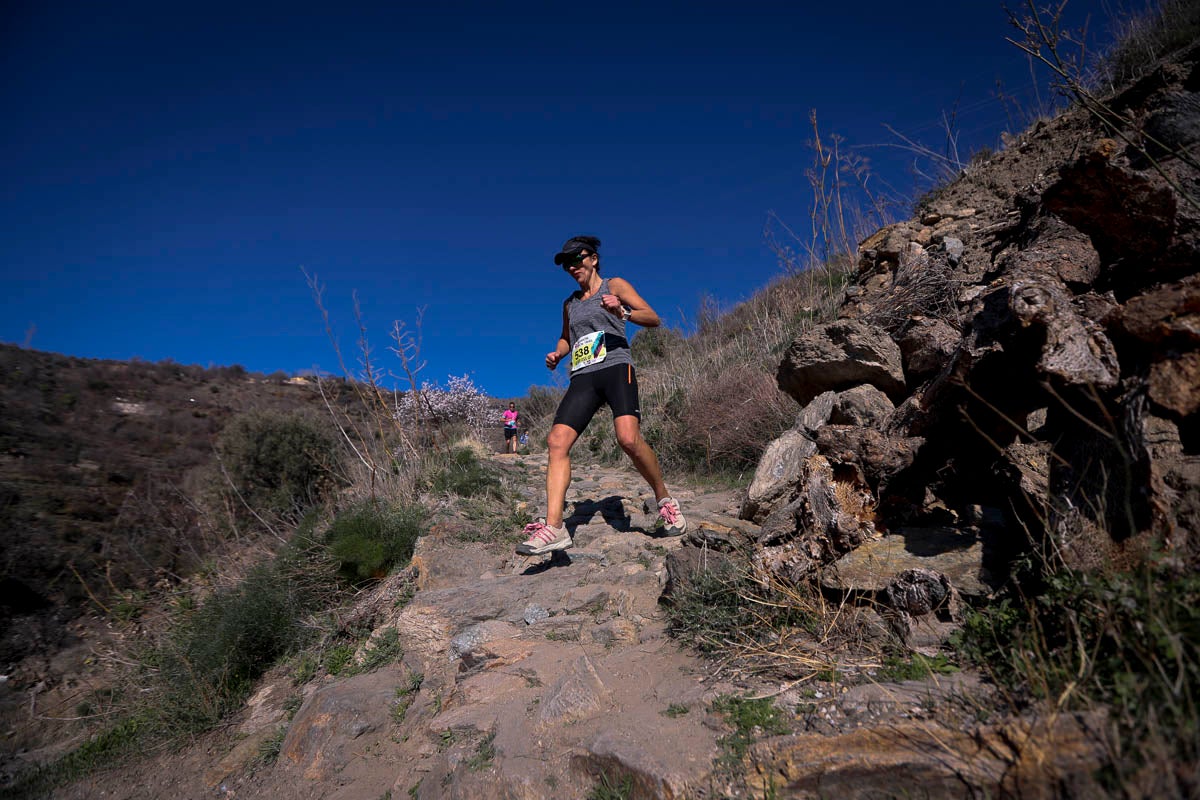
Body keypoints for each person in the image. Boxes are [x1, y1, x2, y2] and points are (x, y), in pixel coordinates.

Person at [516, 235, 686, 556]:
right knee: (556, 441)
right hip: (583, 376)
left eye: (576, 260)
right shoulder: (570, 303)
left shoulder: (615, 285)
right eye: (566, 265)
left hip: (616, 367)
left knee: (628, 439)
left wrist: (622, 311)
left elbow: (652, 318)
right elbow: (567, 337)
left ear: (593, 259)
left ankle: (665, 499)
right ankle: (554, 527)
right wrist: (558, 353)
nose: (571, 267)